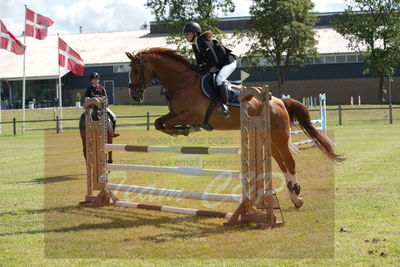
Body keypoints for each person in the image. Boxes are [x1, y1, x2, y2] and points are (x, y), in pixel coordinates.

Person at [183, 21, 237, 118]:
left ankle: (225, 106)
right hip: (217, 65)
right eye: (185, 34)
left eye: (187, 33)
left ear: (195, 33)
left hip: (228, 63)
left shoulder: (202, 41)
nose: (185, 36)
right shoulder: (195, 45)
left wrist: (200, 67)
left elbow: (214, 60)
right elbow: (200, 63)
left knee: (219, 79)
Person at [85, 72, 119, 137]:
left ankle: (113, 132)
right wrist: (87, 99)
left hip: (102, 107)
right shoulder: (89, 89)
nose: (95, 80)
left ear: (98, 80)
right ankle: (90, 133)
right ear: (91, 80)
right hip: (92, 107)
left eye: (96, 79)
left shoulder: (101, 88)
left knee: (114, 116)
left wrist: (103, 98)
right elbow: (86, 99)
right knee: (90, 117)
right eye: (93, 79)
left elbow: (106, 98)